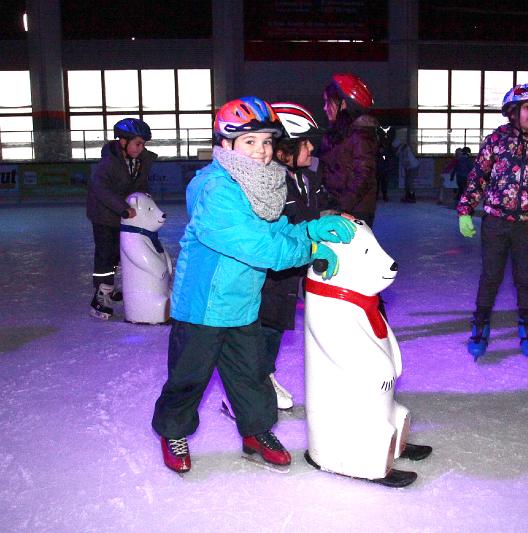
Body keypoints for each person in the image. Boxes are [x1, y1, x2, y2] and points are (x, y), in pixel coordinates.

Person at [151, 96, 355, 474]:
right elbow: (258, 245)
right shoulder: (215, 190)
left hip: (242, 302)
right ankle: (173, 431)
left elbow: (275, 229)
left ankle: (256, 431)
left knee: (251, 374)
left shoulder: (260, 183)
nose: (261, 151)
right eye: (249, 141)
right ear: (225, 144)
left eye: (266, 141)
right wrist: (310, 248)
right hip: (203, 305)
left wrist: (310, 229)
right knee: (189, 376)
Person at [456, 83, 528, 362]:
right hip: (495, 222)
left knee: (526, 278)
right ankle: (480, 325)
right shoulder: (496, 140)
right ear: (513, 112)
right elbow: (478, 176)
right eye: (527, 107)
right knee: (491, 276)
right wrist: (465, 209)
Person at [256, 102, 335, 410]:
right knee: (268, 326)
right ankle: (257, 381)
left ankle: (262, 374)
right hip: (272, 275)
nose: (312, 148)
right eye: (305, 143)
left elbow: (319, 211)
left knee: (277, 326)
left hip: (296, 270)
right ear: (283, 149)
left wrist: (334, 219)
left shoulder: (308, 179)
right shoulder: (269, 186)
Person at [86, 118, 156, 320]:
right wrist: (123, 208)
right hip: (104, 215)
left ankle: (110, 287)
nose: (141, 148)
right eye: (138, 143)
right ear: (123, 141)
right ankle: (101, 294)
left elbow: (140, 186)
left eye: (143, 144)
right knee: (106, 254)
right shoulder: (108, 163)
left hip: (123, 216)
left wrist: (144, 203)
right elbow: (100, 189)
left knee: (118, 254)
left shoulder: (139, 161)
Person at [319, 73, 380, 227]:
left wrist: (340, 207)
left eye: (328, 102)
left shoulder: (360, 135)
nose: (325, 108)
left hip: (354, 210)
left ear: (343, 104)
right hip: (339, 206)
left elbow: (364, 175)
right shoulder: (339, 133)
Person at [394, 137, 420, 203]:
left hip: (412, 167)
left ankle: (412, 197)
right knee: (407, 182)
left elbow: (406, 160)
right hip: (410, 167)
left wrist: (407, 168)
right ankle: (408, 196)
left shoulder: (404, 149)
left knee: (409, 182)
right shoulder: (402, 149)